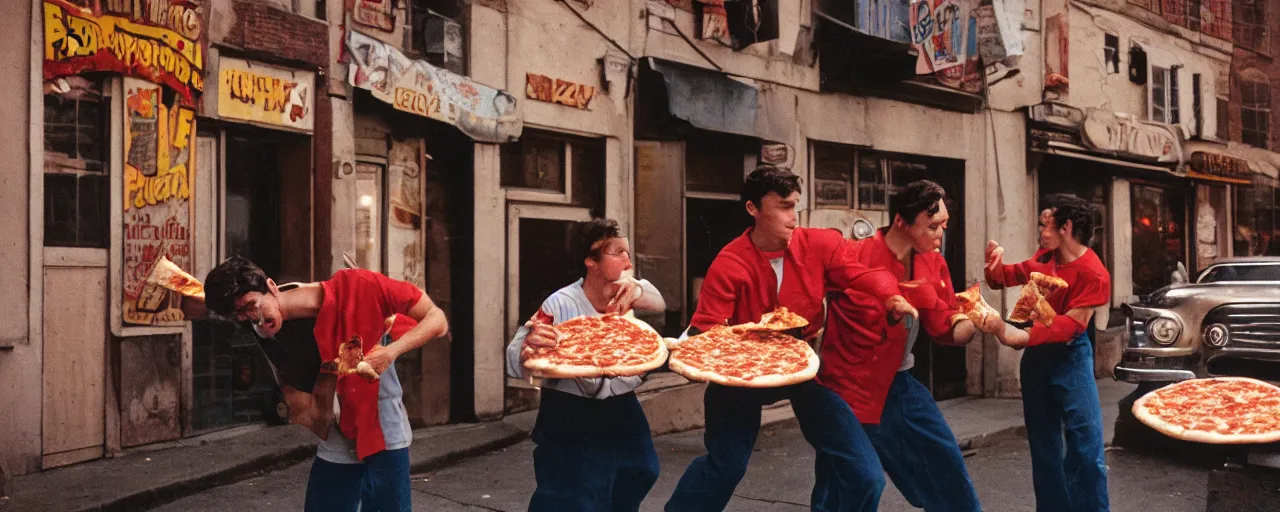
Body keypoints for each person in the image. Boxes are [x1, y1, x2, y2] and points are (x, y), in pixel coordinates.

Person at [665, 165, 917, 512]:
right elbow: (707, 329)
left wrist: (891, 296)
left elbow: (861, 275)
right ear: (753, 209)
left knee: (866, 475)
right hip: (741, 376)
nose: (794, 217)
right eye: (783, 206)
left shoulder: (820, 244)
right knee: (727, 465)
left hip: (803, 367)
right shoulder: (728, 263)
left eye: (795, 205)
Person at [203, 256, 449, 512]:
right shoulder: (263, 330)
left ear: (272, 286)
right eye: (240, 315)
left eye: (252, 306)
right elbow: (302, 403)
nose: (253, 318)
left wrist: (391, 351)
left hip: (381, 425)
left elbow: (437, 319)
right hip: (337, 430)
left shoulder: (360, 286)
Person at [819, 180, 1001, 511]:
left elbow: (943, 326)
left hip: (900, 385)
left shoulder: (934, 263)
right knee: (850, 485)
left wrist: (974, 320)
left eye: (944, 225)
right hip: (846, 390)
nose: (940, 235)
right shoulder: (852, 256)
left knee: (946, 466)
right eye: (932, 226)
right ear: (902, 222)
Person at [505, 218, 667, 511]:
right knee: (573, 493)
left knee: (643, 469)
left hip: (620, 402)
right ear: (591, 262)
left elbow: (659, 302)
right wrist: (530, 343)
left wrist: (638, 291)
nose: (627, 262)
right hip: (570, 408)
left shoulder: (627, 291)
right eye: (618, 253)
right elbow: (518, 353)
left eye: (627, 253)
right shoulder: (561, 303)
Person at [985, 193, 1111, 512]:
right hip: (1037, 361)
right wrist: (993, 267)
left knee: (1086, 447)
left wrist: (1023, 334)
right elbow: (1006, 277)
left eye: (1045, 223)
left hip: (1071, 355)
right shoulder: (1045, 258)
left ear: (1065, 226)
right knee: (1044, 450)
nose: (1040, 229)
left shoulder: (1094, 273)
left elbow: (1073, 324)